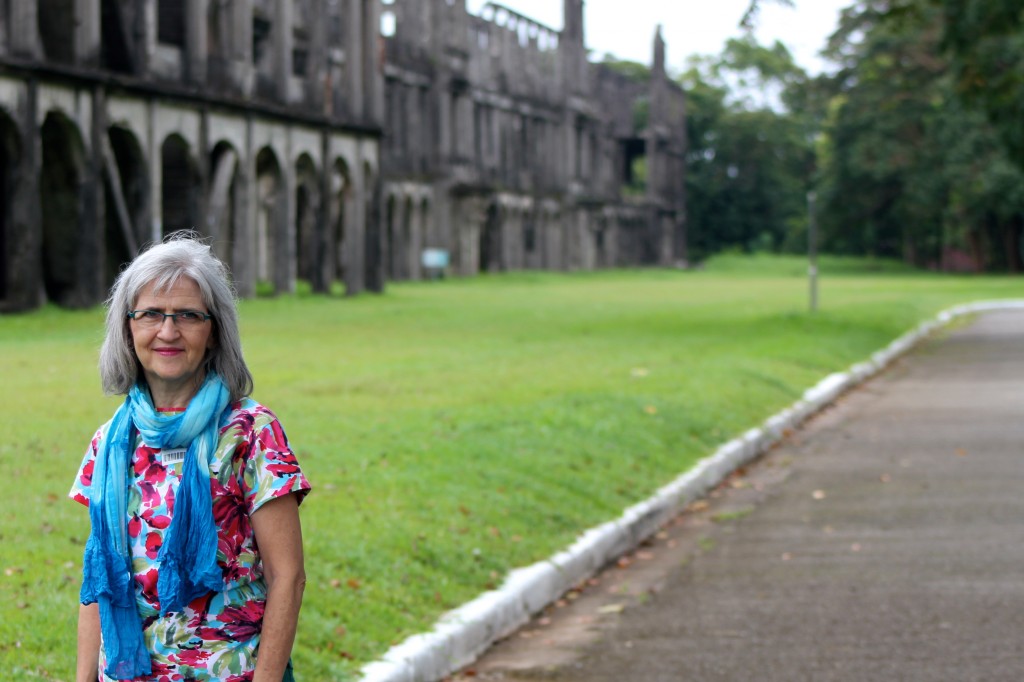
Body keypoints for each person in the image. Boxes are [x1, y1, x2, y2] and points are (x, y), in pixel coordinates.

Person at [70, 234, 311, 682]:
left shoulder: (250, 434)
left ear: (213, 330)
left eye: (187, 315)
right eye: (150, 315)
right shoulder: (110, 442)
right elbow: (99, 585)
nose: (168, 331)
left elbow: (288, 576)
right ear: (128, 328)